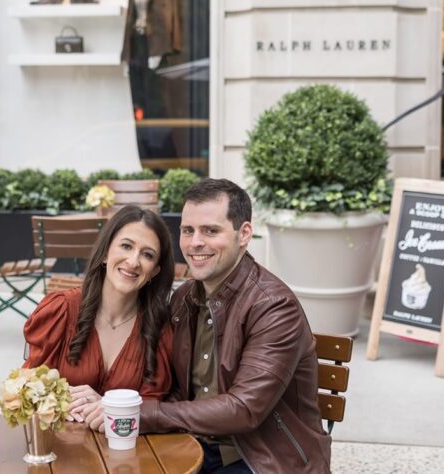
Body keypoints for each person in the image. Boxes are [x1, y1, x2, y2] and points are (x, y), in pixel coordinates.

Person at [140, 178, 330, 473]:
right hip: (195, 446)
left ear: (244, 234)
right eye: (188, 230)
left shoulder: (274, 307)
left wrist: (148, 415)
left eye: (211, 231)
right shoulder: (184, 298)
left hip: (264, 459)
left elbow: (244, 410)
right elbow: (177, 387)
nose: (195, 243)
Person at [23, 205, 175, 431]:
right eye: (126, 246)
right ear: (105, 253)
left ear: (154, 271)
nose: (133, 262)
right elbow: (26, 388)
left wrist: (109, 405)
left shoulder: (159, 328)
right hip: (61, 448)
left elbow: (154, 404)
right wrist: (61, 399)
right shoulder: (61, 310)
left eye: (147, 255)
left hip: (125, 454)